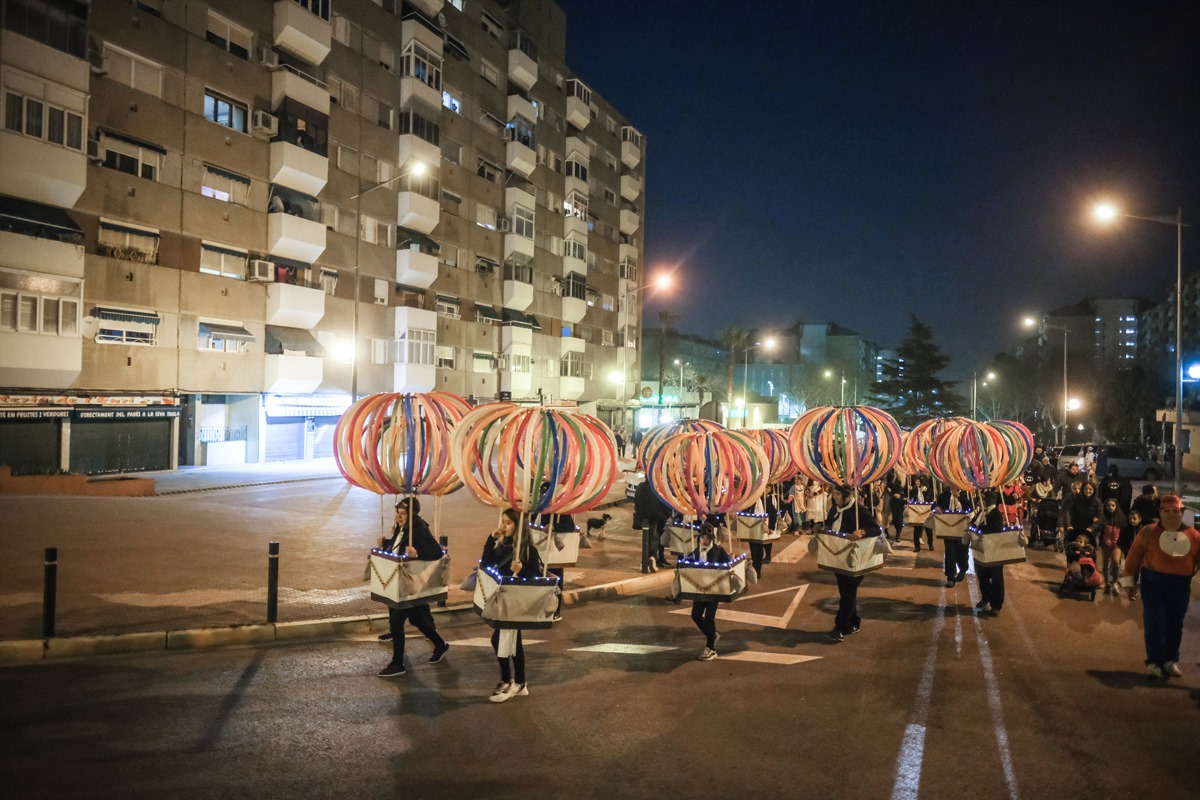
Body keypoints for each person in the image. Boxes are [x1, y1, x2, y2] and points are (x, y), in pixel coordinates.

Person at [1118, 494, 1200, 680]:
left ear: (1182, 512)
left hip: (1180, 585)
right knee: (1155, 621)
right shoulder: (1147, 532)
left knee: (1175, 623)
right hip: (1153, 583)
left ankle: (1170, 660)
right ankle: (1154, 662)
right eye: (1167, 511)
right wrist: (1128, 582)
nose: (1171, 515)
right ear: (1161, 513)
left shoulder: (1194, 536)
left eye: (1175, 511)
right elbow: (1133, 557)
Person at [376, 497, 450, 678]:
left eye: (403, 514)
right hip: (396, 582)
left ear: (412, 514)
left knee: (396, 622)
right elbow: (396, 548)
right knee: (416, 619)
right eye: (398, 513)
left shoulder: (418, 529)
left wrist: (417, 553)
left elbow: (436, 552)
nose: (399, 517)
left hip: (409, 584)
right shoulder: (402, 528)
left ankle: (397, 663)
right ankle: (440, 645)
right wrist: (385, 544)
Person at [480, 508, 545, 702]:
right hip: (503, 601)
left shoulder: (526, 549)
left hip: (516, 602)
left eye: (508, 523)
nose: (504, 526)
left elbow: (536, 575)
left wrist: (522, 569)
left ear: (518, 526)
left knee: (505, 641)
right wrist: (491, 539)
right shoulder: (504, 544)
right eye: (503, 521)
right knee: (511, 643)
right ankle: (517, 682)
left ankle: (511, 682)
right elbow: (486, 562)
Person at [824, 485, 882, 641]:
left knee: (847, 593)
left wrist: (862, 532)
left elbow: (876, 529)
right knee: (846, 592)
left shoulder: (859, 510)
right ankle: (854, 622)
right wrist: (819, 527)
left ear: (847, 496)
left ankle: (840, 628)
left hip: (856, 559)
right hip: (838, 558)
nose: (834, 496)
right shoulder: (834, 509)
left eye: (837, 494)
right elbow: (829, 524)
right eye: (833, 493)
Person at [686, 522, 730, 661]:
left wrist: (729, 562)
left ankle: (711, 647)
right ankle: (712, 635)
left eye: (707, 538)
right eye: (702, 537)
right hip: (699, 590)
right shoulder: (696, 551)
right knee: (696, 615)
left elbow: (727, 565)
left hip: (714, 590)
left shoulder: (718, 551)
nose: (704, 540)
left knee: (710, 617)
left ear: (711, 539)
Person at [972, 490, 1007, 617]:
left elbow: (996, 529)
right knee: (983, 576)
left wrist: (981, 529)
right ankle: (986, 597)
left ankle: (996, 605)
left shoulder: (995, 514)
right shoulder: (982, 513)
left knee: (996, 579)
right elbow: (974, 523)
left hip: (994, 551)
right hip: (983, 550)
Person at [936, 484, 969, 586]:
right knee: (950, 553)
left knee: (962, 552)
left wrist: (958, 496)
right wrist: (937, 508)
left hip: (962, 529)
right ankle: (951, 577)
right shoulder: (944, 495)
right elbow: (935, 505)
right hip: (948, 529)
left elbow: (970, 507)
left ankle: (963, 569)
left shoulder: (966, 493)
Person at [635, 479, 672, 571]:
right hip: (654, 519)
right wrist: (665, 516)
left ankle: (646, 562)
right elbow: (660, 504)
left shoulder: (640, 487)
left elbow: (636, 502)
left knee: (648, 540)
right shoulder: (656, 489)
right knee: (653, 540)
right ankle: (651, 560)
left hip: (643, 518)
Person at [1060, 480, 1101, 548]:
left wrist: (1092, 527)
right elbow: (1066, 511)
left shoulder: (1097, 502)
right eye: (1086, 489)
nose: (1088, 491)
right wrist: (1068, 524)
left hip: (1089, 531)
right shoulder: (1072, 499)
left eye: (1090, 489)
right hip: (1075, 528)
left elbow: (1099, 515)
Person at [1097, 499, 1126, 595]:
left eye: (1113, 505)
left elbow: (1125, 531)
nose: (1111, 507)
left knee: (1116, 561)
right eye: (1108, 505)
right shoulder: (1103, 518)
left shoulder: (1121, 519)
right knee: (1105, 563)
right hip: (1105, 543)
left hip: (1117, 544)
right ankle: (1107, 583)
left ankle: (1115, 582)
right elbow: (1098, 529)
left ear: (1116, 506)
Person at [908, 474, 934, 552]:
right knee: (917, 530)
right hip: (917, 512)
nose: (916, 482)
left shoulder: (929, 491)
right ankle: (917, 546)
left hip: (926, 513)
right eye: (916, 481)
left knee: (928, 530)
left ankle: (930, 544)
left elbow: (930, 501)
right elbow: (910, 498)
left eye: (918, 481)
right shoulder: (914, 491)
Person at [885, 469, 908, 543]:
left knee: (899, 517)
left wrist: (901, 496)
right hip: (893, 500)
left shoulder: (904, 478)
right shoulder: (891, 476)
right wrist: (892, 493)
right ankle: (896, 530)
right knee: (894, 518)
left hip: (901, 501)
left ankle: (898, 533)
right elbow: (888, 487)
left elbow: (907, 490)